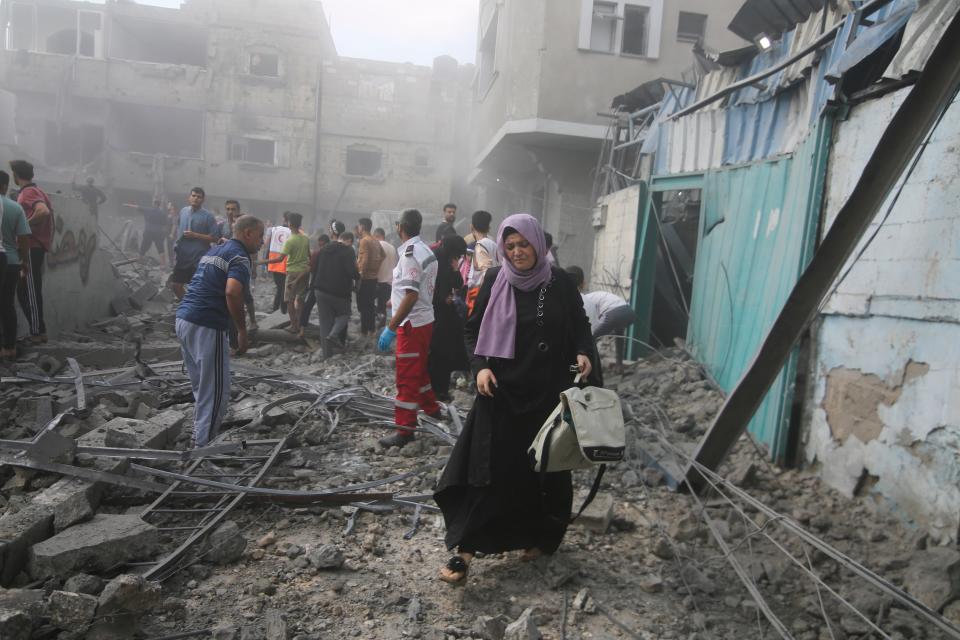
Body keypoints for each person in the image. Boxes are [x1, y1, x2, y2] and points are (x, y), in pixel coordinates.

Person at [433, 213, 594, 585]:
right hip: (501, 388)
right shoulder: (495, 278)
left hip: (548, 392)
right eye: (510, 246)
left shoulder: (561, 283)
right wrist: (480, 367)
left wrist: (584, 350)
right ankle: (465, 550)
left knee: (547, 469)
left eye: (524, 245)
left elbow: (581, 323)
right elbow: (472, 329)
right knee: (486, 467)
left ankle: (543, 537)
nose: (518, 252)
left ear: (538, 245)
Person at [175, 215, 263, 447]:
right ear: (248, 234)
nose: (262, 242)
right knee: (215, 392)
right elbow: (233, 292)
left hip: (184, 318)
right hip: (207, 323)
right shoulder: (240, 256)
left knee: (201, 387)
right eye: (260, 236)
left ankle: (199, 434)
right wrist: (242, 330)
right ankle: (202, 448)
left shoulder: (216, 250)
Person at [377, 208, 441, 449]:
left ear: (399, 227)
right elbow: (415, 289)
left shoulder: (410, 254)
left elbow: (412, 294)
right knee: (419, 369)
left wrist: (391, 327)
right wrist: (394, 298)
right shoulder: (425, 250)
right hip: (424, 321)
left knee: (406, 377)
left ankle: (405, 430)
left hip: (411, 324)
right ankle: (432, 408)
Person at [10, 160, 53, 344]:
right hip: (33, 246)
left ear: (16, 175)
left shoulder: (28, 192)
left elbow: (43, 212)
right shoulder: (37, 191)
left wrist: (23, 227)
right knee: (23, 291)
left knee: (30, 291)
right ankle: (38, 330)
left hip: (31, 246)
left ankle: (37, 333)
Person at [566, 265, 638, 371]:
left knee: (589, 338)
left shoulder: (586, 299)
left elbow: (587, 322)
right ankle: (619, 364)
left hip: (613, 313)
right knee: (619, 336)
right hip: (629, 312)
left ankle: (582, 367)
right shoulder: (597, 297)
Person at [427, 235, 469, 402]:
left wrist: (455, 268)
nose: (457, 258)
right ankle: (433, 389)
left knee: (445, 353)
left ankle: (441, 389)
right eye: (456, 255)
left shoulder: (449, 261)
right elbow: (428, 286)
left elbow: (458, 283)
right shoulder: (433, 259)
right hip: (434, 312)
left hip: (446, 312)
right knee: (436, 352)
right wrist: (440, 298)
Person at [259, 212, 310, 335]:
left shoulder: (290, 241)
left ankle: (293, 326)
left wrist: (262, 261)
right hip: (304, 272)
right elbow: (309, 255)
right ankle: (299, 323)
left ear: (289, 223)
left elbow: (280, 259)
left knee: (290, 300)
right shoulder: (305, 238)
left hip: (292, 273)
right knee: (301, 299)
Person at [312, 230, 358, 358]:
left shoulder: (325, 248)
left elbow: (315, 268)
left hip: (320, 290)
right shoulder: (348, 251)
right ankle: (333, 334)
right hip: (340, 292)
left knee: (324, 323)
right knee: (345, 314)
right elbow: (352, 272)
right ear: (348, 240)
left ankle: (327, 356)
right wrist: (358, 276)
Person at [0, 171, 31, 360]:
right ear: (5, 186)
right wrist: (25, 262)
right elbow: (24, 238)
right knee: (7, 304)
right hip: (10, 261)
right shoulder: (15, 208)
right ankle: (9, 347)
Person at [171, 187, 220, 300]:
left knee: (197, 288)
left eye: (199, 197)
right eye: (193, 196)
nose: (196, 199)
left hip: (198, 258)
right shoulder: (183, 211)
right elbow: (180, 228)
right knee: (176, 285)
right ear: (189, 197)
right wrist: (176, 244)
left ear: (203, 200)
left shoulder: (208, 216)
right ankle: (188, 306)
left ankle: (196, 311)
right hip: (182, 257)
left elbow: (215, 238)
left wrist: (196, 235)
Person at [355, 217, 385, 338]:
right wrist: (376, 267)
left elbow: (365, 260)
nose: (358, 228)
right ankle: (370, 330)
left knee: (363, 306)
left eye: (359, 226)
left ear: (362, 226)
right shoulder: (375, 240)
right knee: (369, 305)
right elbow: (383, 255)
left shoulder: (364, 241)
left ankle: (364, 331)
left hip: (365, 278)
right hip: (373, 278)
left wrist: (360, 275)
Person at [465, 210, 498, 316]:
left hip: (479, 295)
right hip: (491, 294)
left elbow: (486, 273)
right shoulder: (494, 244)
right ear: (488, 228)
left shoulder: (480, 246)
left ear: (471, 227)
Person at [299, 233, 330, 329]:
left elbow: (310, 269)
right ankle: (327, 329)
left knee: (307, 307)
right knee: (327, 309)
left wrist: (297, 280)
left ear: (320, 243)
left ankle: (302, 329)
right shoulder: (332, 254)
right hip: (328, 286)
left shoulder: (316, 254)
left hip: (316, 284)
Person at [123, 198, 168, 264]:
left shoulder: (148, 210)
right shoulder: (163, 213)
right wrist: (163, 235)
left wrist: (127, 205)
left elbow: (137, 207)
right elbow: (164, 226)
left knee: (143, 247)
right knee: (161, 250)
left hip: (148, 232)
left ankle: (139, 261)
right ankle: (163, 266)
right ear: (159, 205)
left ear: (153, 204)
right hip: (158, 233)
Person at [266, 212, 292, 314]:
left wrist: (266, 260)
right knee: (283, 289)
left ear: (283, 219)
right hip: (286, 264)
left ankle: (276, 308)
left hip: (274, 263)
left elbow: (267, 245)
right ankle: (282, 310)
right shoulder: (293, 231)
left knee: (279, 288)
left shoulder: (274, 229)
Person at [373, 227, 397, 330]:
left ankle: (373, 326)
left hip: (377, 280)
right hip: (389, 282)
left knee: (370, 302)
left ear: (377, 236)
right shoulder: (392, 248)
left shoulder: (377, 245)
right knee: (383, 306)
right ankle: (381, 326)